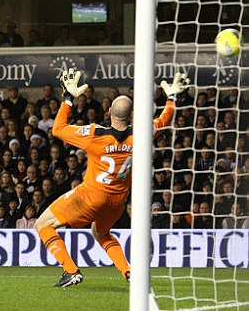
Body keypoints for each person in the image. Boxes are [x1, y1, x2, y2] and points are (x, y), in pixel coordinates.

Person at [35, 69, 184, 287]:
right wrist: (171, 97)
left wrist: (68, 98)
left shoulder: (96, 134)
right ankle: (129, 272)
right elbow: (165, 119)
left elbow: (57, 129)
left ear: (109, 113)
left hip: (91, 196)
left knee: (43, 224)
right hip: (117, 202)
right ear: (131, 115)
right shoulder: (143, 133)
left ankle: (70, 270)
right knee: (101, 232)